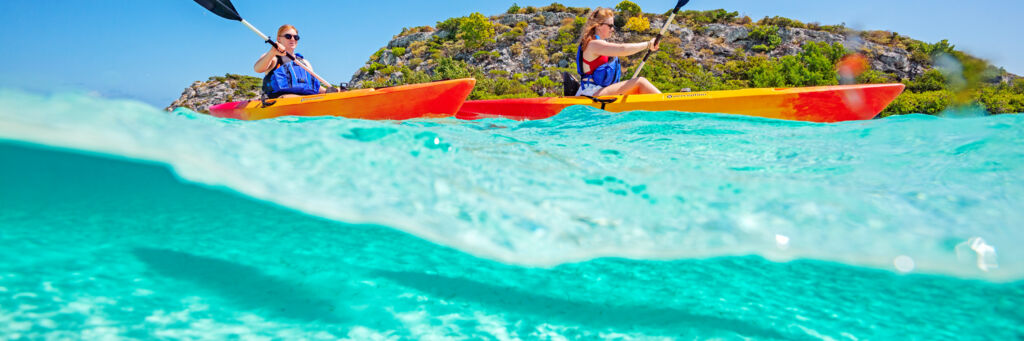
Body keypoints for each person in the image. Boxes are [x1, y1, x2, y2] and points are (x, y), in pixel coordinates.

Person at [576, 8, 662, 97]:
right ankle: (669, 104)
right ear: (598, 25)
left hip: (597, 91)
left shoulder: (595, 44)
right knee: (640, 82)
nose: (612, 29)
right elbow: (623, 49)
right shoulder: (593, 44)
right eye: (610, 25)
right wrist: (648, 44)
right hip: (591, 92)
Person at [254, 25, 325, 98]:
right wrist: (272, 52)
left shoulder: (305, 62)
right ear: (279, 39)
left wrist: (330, 91)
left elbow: (313, 86)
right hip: (280, 100)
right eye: (288, 36)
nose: (293, 39)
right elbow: (258, 69)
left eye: (296, 37)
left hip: (307, 100)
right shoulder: (273, 58)